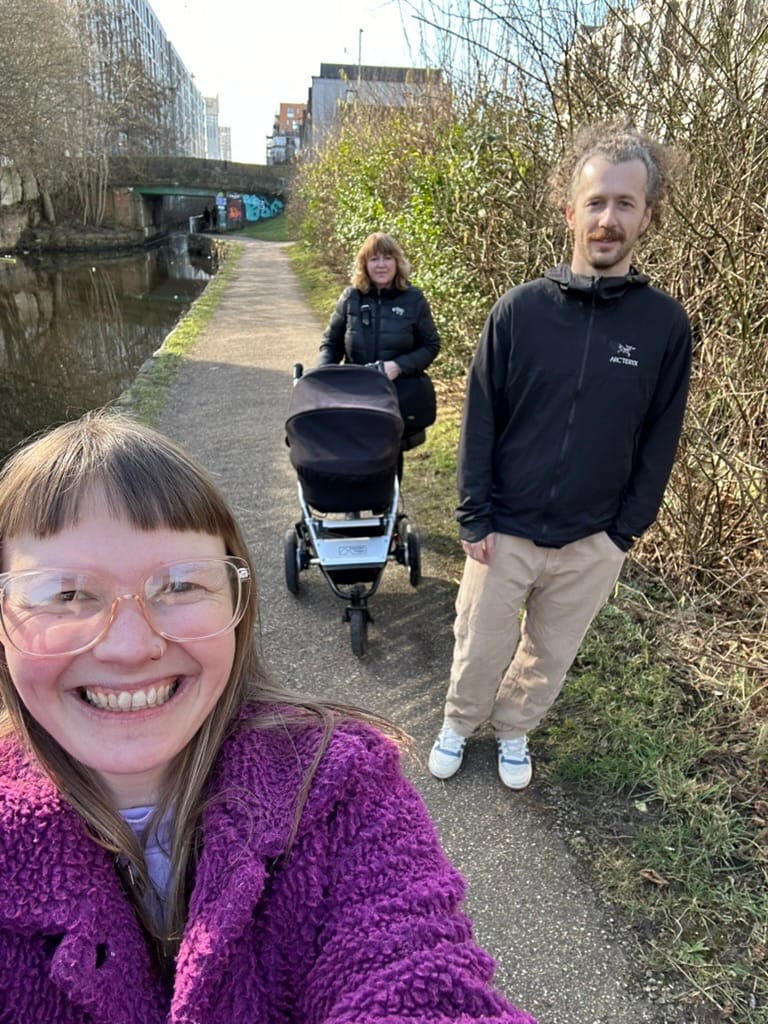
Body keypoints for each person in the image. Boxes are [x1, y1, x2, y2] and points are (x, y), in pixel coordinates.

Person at [0, 410, 537, 1024]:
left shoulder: (342, 790)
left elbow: (419, 984)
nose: (130, 647)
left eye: (180, 585)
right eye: (66, 594)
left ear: (239, 604)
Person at [429, 122, 692, 790]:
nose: (608, 219)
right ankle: (459, 721)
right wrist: (474, 514)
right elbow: (481, 419)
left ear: (647, 217)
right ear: (570, 211)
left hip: (592, 536)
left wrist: (624, 531)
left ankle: (513, 729)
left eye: (625, 203)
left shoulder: (663, 325)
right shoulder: (519, 311)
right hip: (505, 528)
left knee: (550, 651)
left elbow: (661, 434)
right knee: (480, 642)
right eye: (596, 201)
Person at [317, 232, 441, 476]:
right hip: (355, 394)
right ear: (364, 264)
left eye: (387, 258)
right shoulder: (351, 297)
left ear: (397, 262)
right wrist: (323, 377)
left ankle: (390, 499)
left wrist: (398, 366)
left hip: (394, 396)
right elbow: (330, 344)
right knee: (352, 458)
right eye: (374, 259)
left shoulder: (413, 299)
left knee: (389, 460)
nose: (381, 265)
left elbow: (431, 345)